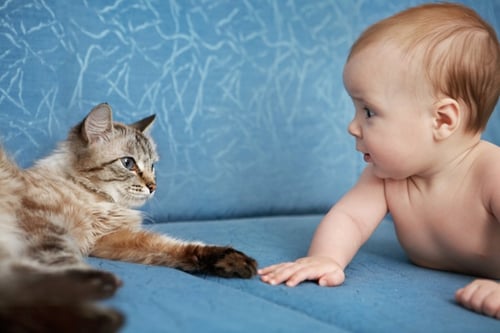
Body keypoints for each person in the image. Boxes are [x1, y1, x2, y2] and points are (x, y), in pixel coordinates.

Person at [258, 2, 500, 319]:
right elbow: (350, 219)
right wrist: (326, 258)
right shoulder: (387, 178)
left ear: (441, 120)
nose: (352, 126)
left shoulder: (489, 172)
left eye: (369, 111)